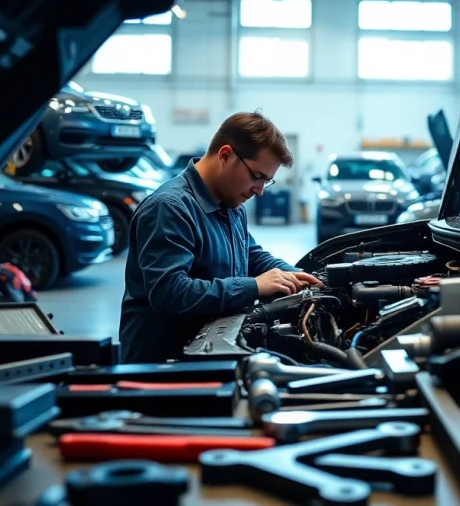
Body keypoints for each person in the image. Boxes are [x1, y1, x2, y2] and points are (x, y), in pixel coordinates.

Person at [119, 111, 322, 363]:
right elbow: (170, 293)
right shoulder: (169, 208)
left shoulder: (230, 204)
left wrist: (295, 277)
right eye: (257, 177)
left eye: (266, 182)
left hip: (210, 352)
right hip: (163, 367)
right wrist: (254, 286)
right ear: (225, 155)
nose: (259, 191)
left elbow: (251, 255)